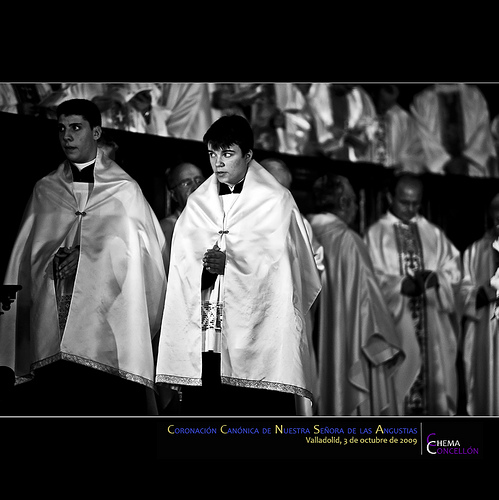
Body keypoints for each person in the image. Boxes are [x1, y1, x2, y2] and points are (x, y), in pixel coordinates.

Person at [0, 98, 167, 416]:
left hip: (104, 332)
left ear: (97, 132)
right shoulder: (45, 189)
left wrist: (89, 258)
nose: (67, 136)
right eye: (61, 128)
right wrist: (52, 258)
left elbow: (143, 258)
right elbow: (27, 256)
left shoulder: (125, 190)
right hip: (54, 326)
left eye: (76, 127)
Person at [155, 114, 321, 416]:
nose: (218, 163)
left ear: (248, 155)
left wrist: (230, 265)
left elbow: (284, 269)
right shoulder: (198, 204)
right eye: (212, 154)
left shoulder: (276, 201)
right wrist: (205, 267)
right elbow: (181, 266)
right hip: (209, 339)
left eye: (227, 154)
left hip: (258, 341)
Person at [364, 174, 462, 415]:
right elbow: (369, 280)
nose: (410, 209)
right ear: (390, 197)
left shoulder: (434, 234)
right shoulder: (375, 234)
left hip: (433, 330)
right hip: (396, 330)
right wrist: (399, 286)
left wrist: (438, 280)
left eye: (415, 203)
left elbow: (454, 271)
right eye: (404, 202)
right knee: (398, 396)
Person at [307, 174, 404, 415]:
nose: (357, 207)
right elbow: (369, 308)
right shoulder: (348, 240)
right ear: (343, 202)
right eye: (354, 200)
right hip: (346, 348)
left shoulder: (302, 232)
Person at [261, 156, 324, 415]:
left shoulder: (297, 219)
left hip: (289, 318)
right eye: (277, 187)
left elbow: (314, 269)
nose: (283, 195)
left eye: (287, 189)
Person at [461, 193, 499, 415]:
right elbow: (461, 292)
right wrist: (481, 295)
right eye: (497, 213)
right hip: (487, 335)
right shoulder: (475, 252)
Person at [410, 83, 496, 177]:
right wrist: (443, 160)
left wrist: (468, 157)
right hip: (437, 170)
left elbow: (483, 129)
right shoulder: (422, 98)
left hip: (471, 167)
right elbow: (422, 134)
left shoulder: (474, 95)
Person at [365, 84, 425, 174]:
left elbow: (415, 151)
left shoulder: (402, 118)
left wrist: (403, 166)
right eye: (383, 102)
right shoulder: (361, 109)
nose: (385, 107)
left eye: (390, 104)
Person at [159, 161, 205, 272]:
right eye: (186, 183)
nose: (196, 187)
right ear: (173, 194)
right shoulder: (168, 228)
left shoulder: (220, 220)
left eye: (199, 181)